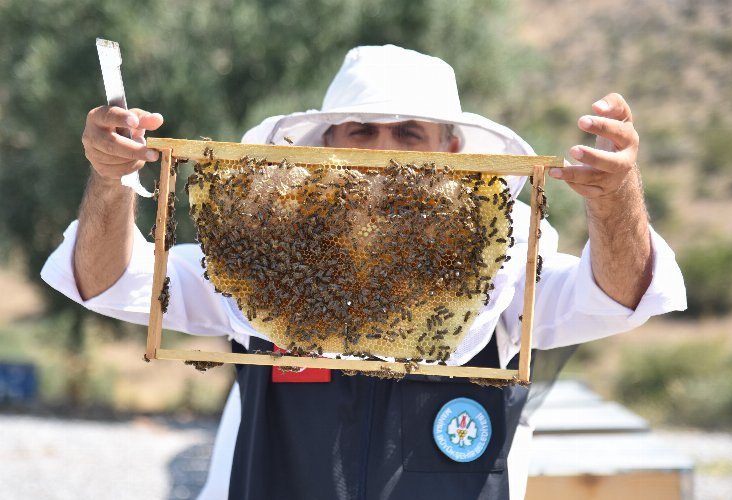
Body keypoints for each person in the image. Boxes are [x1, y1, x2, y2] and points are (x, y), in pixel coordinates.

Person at [42, 45, 686, 499]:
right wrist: (112, 178)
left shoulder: (508, 260)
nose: (383, 156)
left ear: (451, 150)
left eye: (409, 133)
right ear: (325, 146)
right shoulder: (260, 252)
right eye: (362, 130)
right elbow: (109, 282)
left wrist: (615, 199)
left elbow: (619, 295)